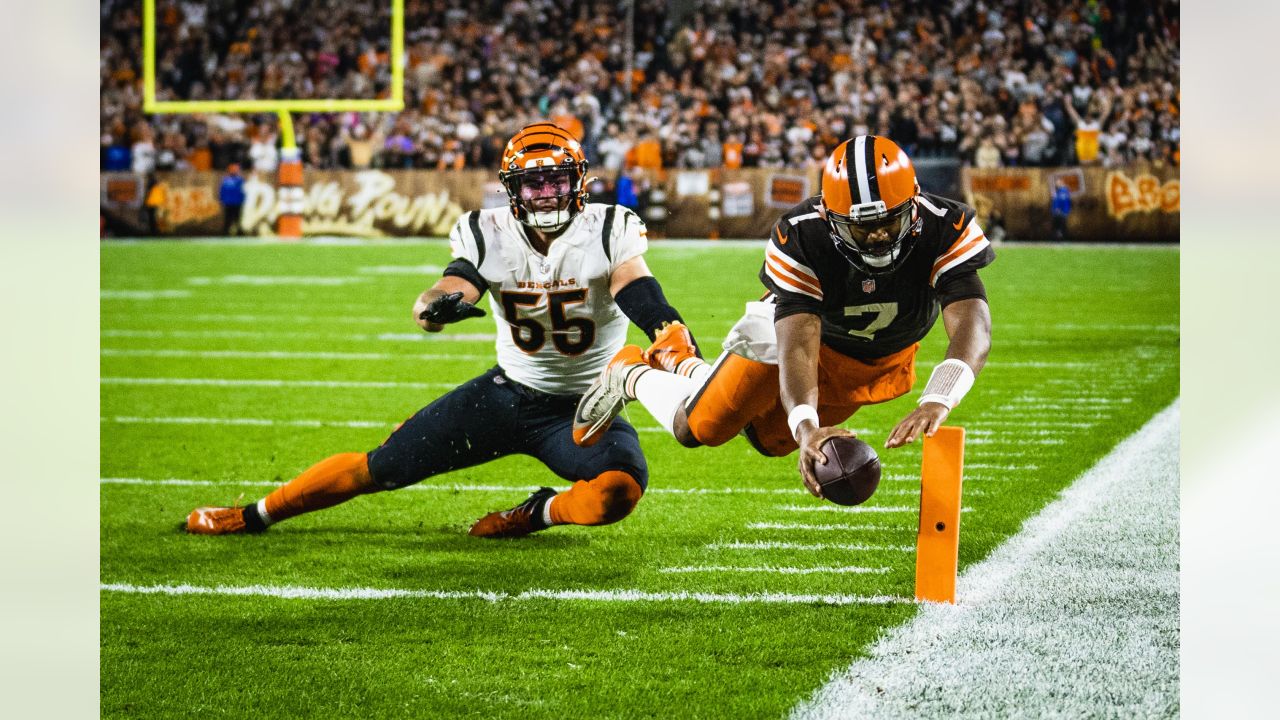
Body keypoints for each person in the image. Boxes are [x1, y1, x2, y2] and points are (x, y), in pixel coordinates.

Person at [186, 123, 698, 538]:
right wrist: (434, 306)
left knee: (620, 491)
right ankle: (253, 515)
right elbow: (456, 282)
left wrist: (664, 325)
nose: (546, 193)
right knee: (381, 467)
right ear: (512, 188)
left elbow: (634, 283)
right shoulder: (487, 230)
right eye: (534, 182)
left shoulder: (610, 226)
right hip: (507, 395)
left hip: (586, 406)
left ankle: (535, 515)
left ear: (578, 181)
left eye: (557, 180)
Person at [574, 135, 993, 500]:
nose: (879, 235)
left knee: (770, 440)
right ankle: (631, 373)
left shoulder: (946, 226)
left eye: (889, 219)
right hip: (788, 342)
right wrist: (806, 424)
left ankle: (683, 361)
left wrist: (940, 396)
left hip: (869, 361)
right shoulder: (802, 235)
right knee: (699, 428)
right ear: (830, 219)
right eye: (861, 227)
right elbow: (797, 344)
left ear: (916, 203)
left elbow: (972, 324)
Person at [218, 164, 246, 236]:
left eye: (236, 169)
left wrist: (242, 200)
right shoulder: (225, 180)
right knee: (228, 218)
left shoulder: (240, 180)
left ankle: (239, 231)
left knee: (237, 218)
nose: (234, 171)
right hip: (228, 202)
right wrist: (222, 199)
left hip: (237, 202)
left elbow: (244, 191)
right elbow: (222, 191)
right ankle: (225, 232)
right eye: (232, 169)